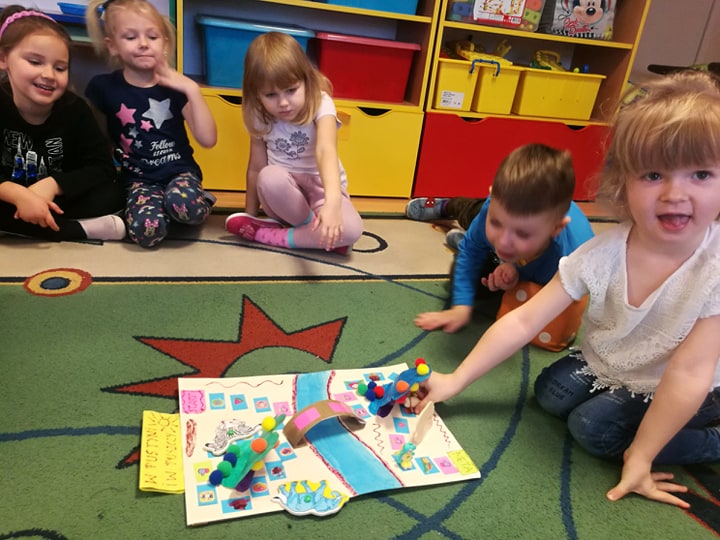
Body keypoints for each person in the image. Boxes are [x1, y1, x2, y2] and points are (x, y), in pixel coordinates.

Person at [415, 70, 720, 508]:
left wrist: (641, 455)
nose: (674, 193)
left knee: (593, 429)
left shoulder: (714, 269)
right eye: (654, 174)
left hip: (688, 385)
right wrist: (455, 380)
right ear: (624, 182)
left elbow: (689, 374)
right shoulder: (603, 252)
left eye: (701, 174)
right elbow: (524, 320)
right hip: (611, 361)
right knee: (550, 393)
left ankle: (711, 439)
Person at [414, 143, 594, 336]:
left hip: (537, 256)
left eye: (522, 234)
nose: (503, 242)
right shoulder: (493, 211)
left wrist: (515, 273)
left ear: (556, 229)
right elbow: (470, 252)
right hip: (489, 216)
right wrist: (460, 307)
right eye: (496, 223)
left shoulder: (574, 259)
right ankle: (448, 206)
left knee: (489, 287)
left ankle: (474, 243)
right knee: (471, 218)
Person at [85, 0, 217, 248]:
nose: (144, 43)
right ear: (112, 46)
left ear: (164, 43)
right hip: (139, 180)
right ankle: (166, 209)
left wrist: (192, 89)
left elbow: (208, 139)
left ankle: (196, 201)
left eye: (152, 36)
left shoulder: (175, 87)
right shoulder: (103, 88)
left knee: (186, 207)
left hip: (179, 173)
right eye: (130, 37)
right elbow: (97, 137)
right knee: (146, 233)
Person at [224, 32, 363, 253]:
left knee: (353, 229)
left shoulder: (321, 103)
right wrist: (250, 215)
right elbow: (256, 168)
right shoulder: (258, 115)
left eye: (291, 90)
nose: (283, 103)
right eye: (270, 95)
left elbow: (325, 150)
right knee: (269, 176)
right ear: (256, 94)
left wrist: (333, 203)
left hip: (321, 188)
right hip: (284, 199)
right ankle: (317, 234)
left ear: (306, 80)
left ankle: (273, 236)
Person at [0, 5, 126, 241]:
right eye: (35, 62)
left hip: (58, 199)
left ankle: (30, 226)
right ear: (3, 59)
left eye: (60, 68)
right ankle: (79, 230)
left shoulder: (75, 109)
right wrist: (17, 194)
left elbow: (102, 167)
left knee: (116, 193)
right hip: (8, 199)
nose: (49, 74)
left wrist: (53, 184)